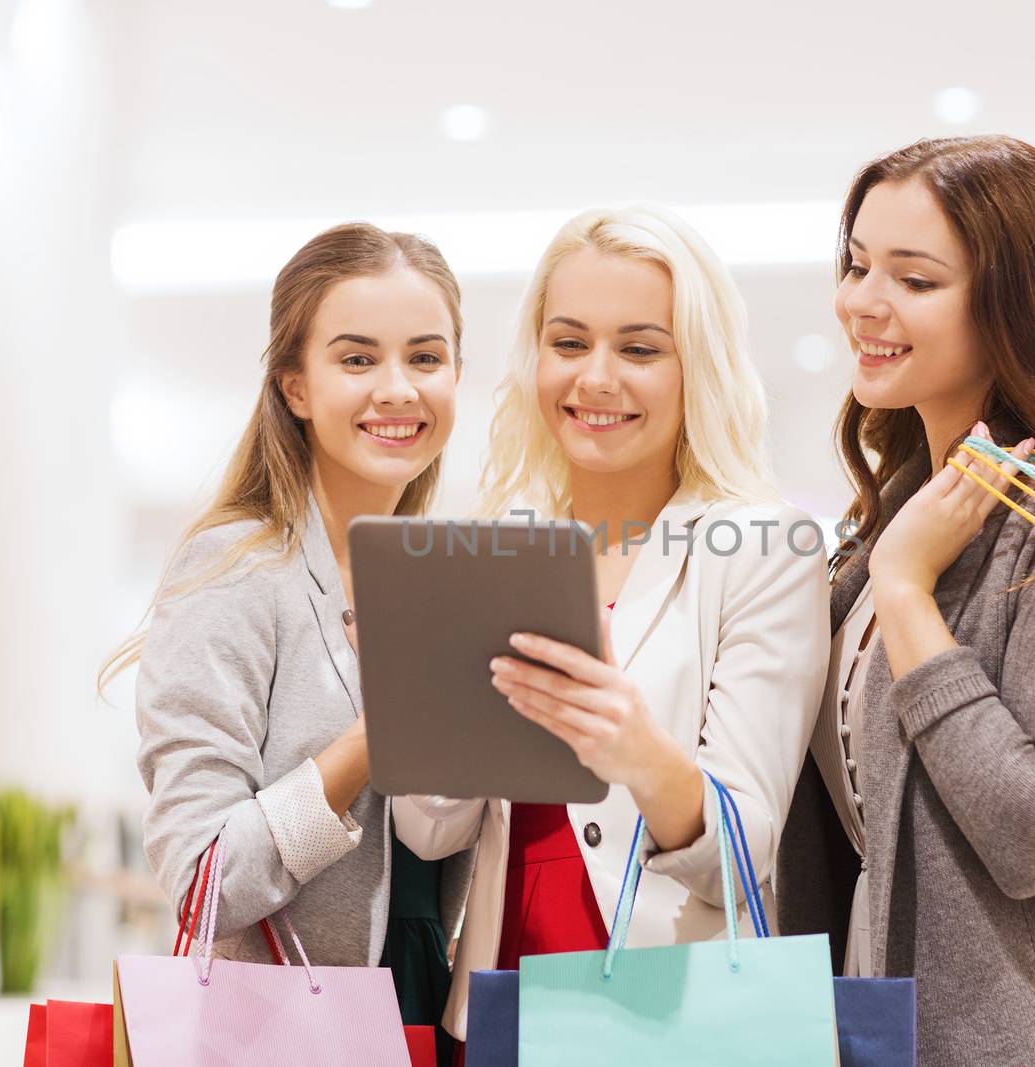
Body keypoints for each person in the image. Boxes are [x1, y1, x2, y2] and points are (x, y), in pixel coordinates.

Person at [776, 136, 1035, 1066]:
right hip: (901, 1023)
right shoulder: (892, 517)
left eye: (915, 279)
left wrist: (907, 593)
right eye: (856, 265)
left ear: (1012, 305)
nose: (863, 303)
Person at [394, 205, 831, 1042]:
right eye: (568, 343)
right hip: (499, 997)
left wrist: (636, 750)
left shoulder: (763, 546)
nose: (595, 378)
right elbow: (431, 827)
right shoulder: (495, 542)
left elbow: (743, 858)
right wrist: (425, 707)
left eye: (639, 348)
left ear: (693, 367)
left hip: (667, 1005)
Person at [107, 222, 472, 1065]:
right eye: (356, 359)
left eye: (426, 358)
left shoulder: (442, 582)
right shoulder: (235, 570)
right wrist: (374, 738)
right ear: (295, 386)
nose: (398, 389)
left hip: (427, 1004)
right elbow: (203, 883)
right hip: (283, 1028)